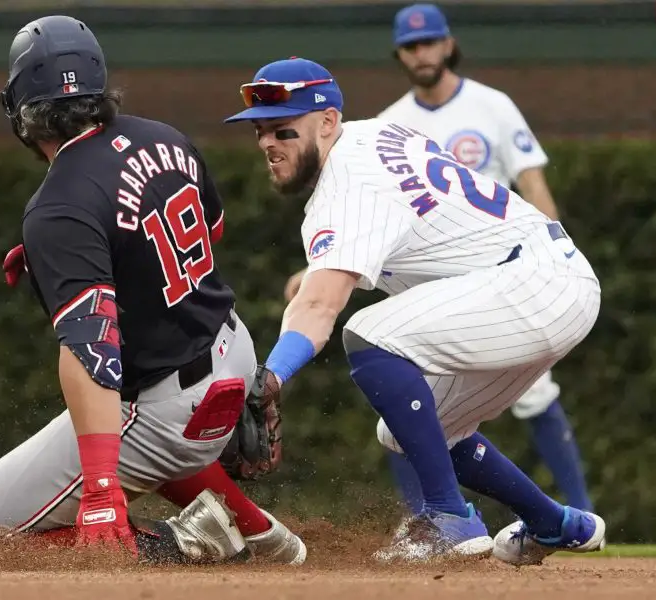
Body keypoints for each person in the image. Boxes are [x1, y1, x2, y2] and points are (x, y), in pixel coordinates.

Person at [0, 15, 305, 566]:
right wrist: (92, 251)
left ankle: (188, 543)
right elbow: (208, 233)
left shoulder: (59, 205)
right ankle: (262, 533)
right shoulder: (162, 135)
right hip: (231, 351)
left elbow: (93, 347)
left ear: (19, 109)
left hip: (169, 408)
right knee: (149, 431)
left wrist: (98, 489)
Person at [223, 56, 606, 565]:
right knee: (409, 431)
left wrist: (270, 377)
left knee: (368, 333)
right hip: (539, 278)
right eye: (261, 133)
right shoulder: (376, 135)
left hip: (532, 282)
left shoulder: (347, 179)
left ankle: (450, 517)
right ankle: (553, 523)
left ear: (328, 121)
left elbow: (319, 307)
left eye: (283, 130)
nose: (268, 143)